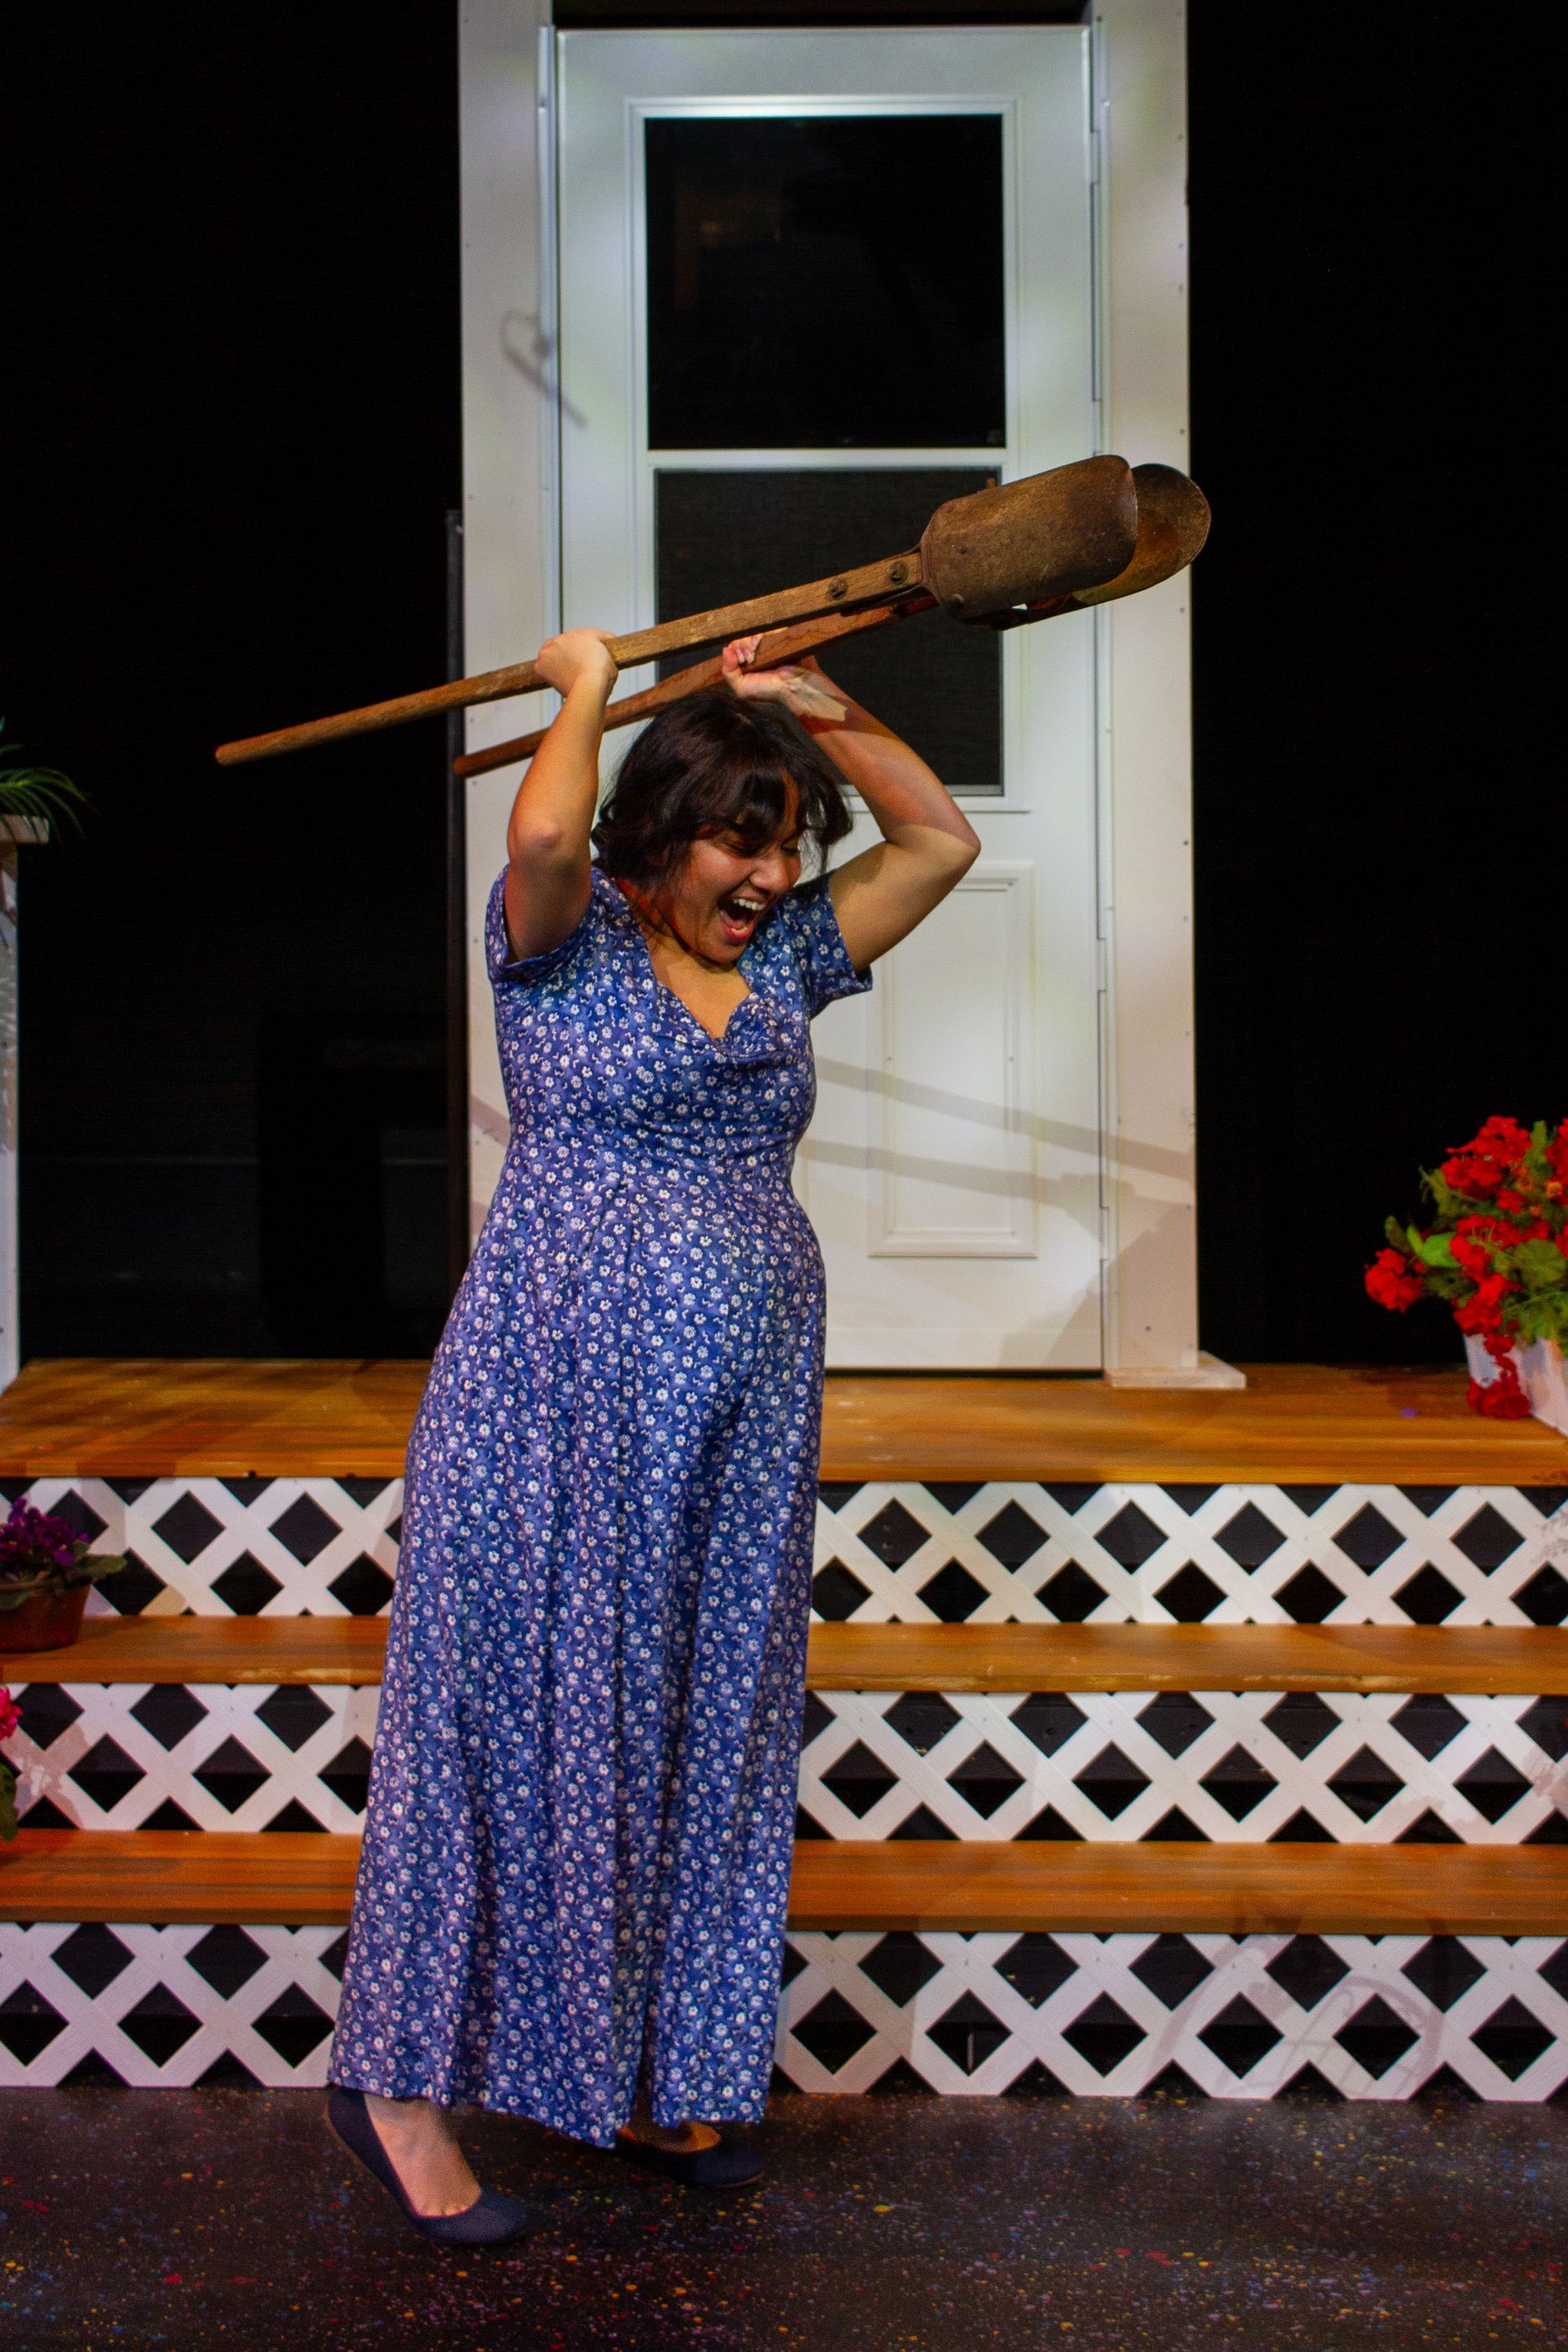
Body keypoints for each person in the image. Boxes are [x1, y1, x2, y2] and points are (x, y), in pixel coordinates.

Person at [326, 628, 979, 2244]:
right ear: (659, 828)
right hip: (555, 1402)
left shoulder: (786, 962)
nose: (767, 878)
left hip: (739, 1418)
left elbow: (941, 840)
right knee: (512, 1715)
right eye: (739, 842)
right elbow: (542, 831)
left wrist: (803, 697)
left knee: (698, 1721)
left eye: (783, 848)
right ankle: (395, 2088)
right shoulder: (559, 943)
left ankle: (640, 2069)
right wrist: (587, 687)